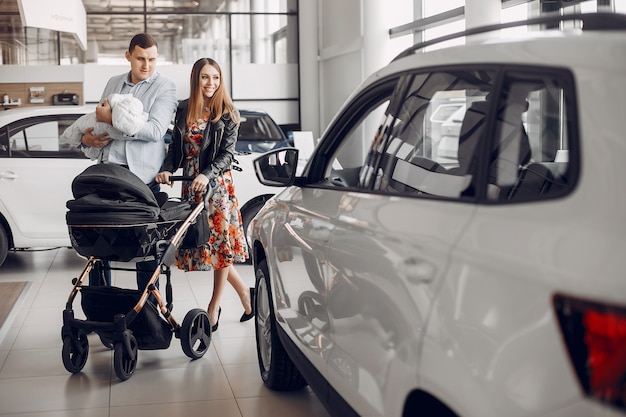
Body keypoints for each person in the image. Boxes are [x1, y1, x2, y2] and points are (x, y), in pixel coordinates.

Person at [66, 33, 178, 289]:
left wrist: (114, 119)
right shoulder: (113, 82)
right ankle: (100, 305)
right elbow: (99, 121)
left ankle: (147, 311)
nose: (146, 65)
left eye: (151, 59)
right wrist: (90, 139)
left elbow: (155, 131)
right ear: (128, 56)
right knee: (100, 245)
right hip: (107, 174)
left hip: (142, 181)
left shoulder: (165, 86)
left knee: (147, 251)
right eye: (140, 58)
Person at [156, 57, 252, 332]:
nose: (211, 83)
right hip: (191, 185)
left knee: (221, 247)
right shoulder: (184, 109)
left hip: (217, 186)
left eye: (216, 78)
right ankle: (246, 293)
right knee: (206, 245)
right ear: (196, 78)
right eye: (206, 77)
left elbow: (227, 154)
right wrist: (166, 169)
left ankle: (213, 307)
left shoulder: (228, 112)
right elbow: (175, 149)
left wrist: (205, 174)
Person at [61, 93, 148, 160]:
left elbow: (155, 133)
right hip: (105, 163)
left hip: (137, 165)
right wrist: (85, 141)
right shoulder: (114, 82)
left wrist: (109, 120)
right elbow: (101, 107)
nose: (145, 68)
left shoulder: (159, 89)